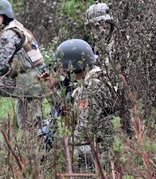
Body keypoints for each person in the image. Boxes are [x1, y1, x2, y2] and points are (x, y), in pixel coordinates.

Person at [0, 0, 49, 129]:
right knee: (28, 127)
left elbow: (0, 68)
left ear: (5, 16)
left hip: (30, 82)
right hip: (32, 78)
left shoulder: (8, 34)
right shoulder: (13, 26)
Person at [49, 38, 120, 169]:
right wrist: (51, 91)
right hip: (110, 142)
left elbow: (83, 130)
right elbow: (68, 111)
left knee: (68, 153)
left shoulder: (89, 89)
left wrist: (61, 143)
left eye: (63, 67)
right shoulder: (98, 77)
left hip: (108, 149)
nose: (60, 70)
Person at [84, 2, 117, 68]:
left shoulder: (121, 45)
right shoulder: (92, 50)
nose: (100, 28)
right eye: (95, 25)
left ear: (110, 25)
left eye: (103, 23)